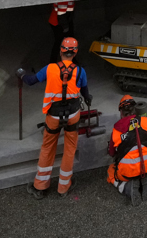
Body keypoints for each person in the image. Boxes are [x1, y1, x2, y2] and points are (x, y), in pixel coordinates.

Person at [23, 38, 92, 199]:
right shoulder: (80, 71)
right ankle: (63, 186)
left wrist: (21, 75)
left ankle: (40, 186)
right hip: (73, 115)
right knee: (70, 149)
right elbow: (85, 93)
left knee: (48, 147)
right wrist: (88, 98)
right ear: (75, 53)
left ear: (61, 51)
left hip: (53, 115)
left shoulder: (50, 69)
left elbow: (31, 81)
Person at [107, 94, 147, 202]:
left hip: (127, 172)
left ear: (121, 112)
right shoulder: (145, 121)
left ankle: (125, 187)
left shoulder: (116, 129)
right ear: (135, 110)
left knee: (110, 171)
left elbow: (111, 152)